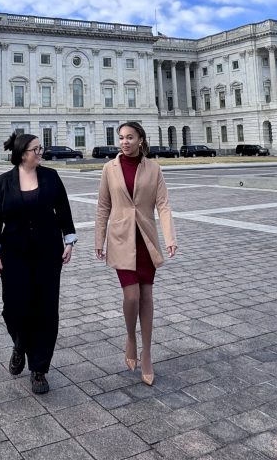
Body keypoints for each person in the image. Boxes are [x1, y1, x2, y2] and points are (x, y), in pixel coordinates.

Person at [0, 132, 77, 395]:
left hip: (48, 252)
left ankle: (39, 368)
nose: (40, 152)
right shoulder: (4, 181)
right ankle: (20, 345)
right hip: (13, 253)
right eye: (36, 149)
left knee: (46, 309)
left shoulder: (51, 176)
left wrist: (69, 240)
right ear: (22, 153)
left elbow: (64, 211)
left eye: (40, 148)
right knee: (13, 307)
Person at [95, 121, 176, 386]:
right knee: (131, 296)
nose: (124, 142)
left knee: (147, 296)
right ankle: (131, 337)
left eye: (130, 137)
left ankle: (148, 352)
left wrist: (170, 238)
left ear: (141, 139)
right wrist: (99, 239)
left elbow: (163, 205)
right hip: (120, 239)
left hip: (145, 239)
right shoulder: (110, 168)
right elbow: (103, 207)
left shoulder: (153, 168)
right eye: (121, 138)